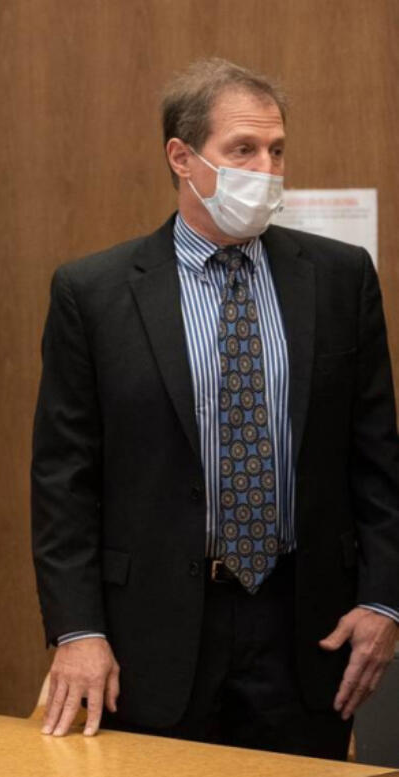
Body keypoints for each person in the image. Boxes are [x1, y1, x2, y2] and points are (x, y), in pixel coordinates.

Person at [31, 58, 399, 759]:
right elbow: (63, 481)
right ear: (183, 157)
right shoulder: (96, 292)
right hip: (152, 632)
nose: (267, 168)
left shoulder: (339, 277)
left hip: (306, 628)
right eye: (244, 150)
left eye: (277, 150)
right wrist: (77, 629)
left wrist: (384, 601)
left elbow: (376, 455)